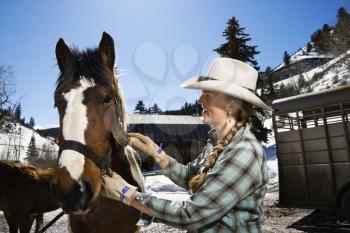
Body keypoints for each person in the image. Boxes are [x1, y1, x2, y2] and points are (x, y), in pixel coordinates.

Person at [102, 58, 272, 232]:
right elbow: (190, 178)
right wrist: (157, 153)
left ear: (231, 106)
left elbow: (192, 215)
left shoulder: (243, 153)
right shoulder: (219, 143)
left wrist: (126, 194)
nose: (199, 101)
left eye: (208, 96)